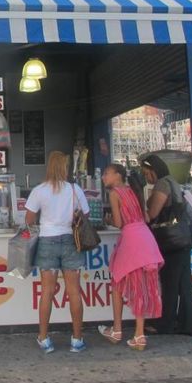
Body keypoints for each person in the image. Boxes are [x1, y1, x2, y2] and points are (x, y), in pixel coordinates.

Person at [25, 150, 90, 354]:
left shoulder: (39, 190)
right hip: (71, 241)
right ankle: (77, 339)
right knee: (74, 292)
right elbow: (86, 214)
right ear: (64, 167)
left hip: (47, 241)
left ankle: (44, 338)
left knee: (47, 292)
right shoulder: (74, 189)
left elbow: (28, 220)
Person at [97, 163, 164, 350]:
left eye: (106, 173)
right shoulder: (134, 190)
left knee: (117, 281)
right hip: (146, 238)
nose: (104, 177)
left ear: (118, 175)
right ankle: (139, 334)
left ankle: (117, 330)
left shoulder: (114, 194)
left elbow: (119, 222)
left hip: (131, 240)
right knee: (140, 286)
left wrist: (109, 219)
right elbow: (147, 218)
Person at [143, 154, 192, 336]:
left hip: (171, 240)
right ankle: (190, 324)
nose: (146, 177)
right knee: (184, 284)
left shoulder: (162, 184)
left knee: (169, 283)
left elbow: (152, 214)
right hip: (184, 237)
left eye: (146, 173)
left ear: (154, 170)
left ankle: (165, 324)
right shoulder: (173, 181)